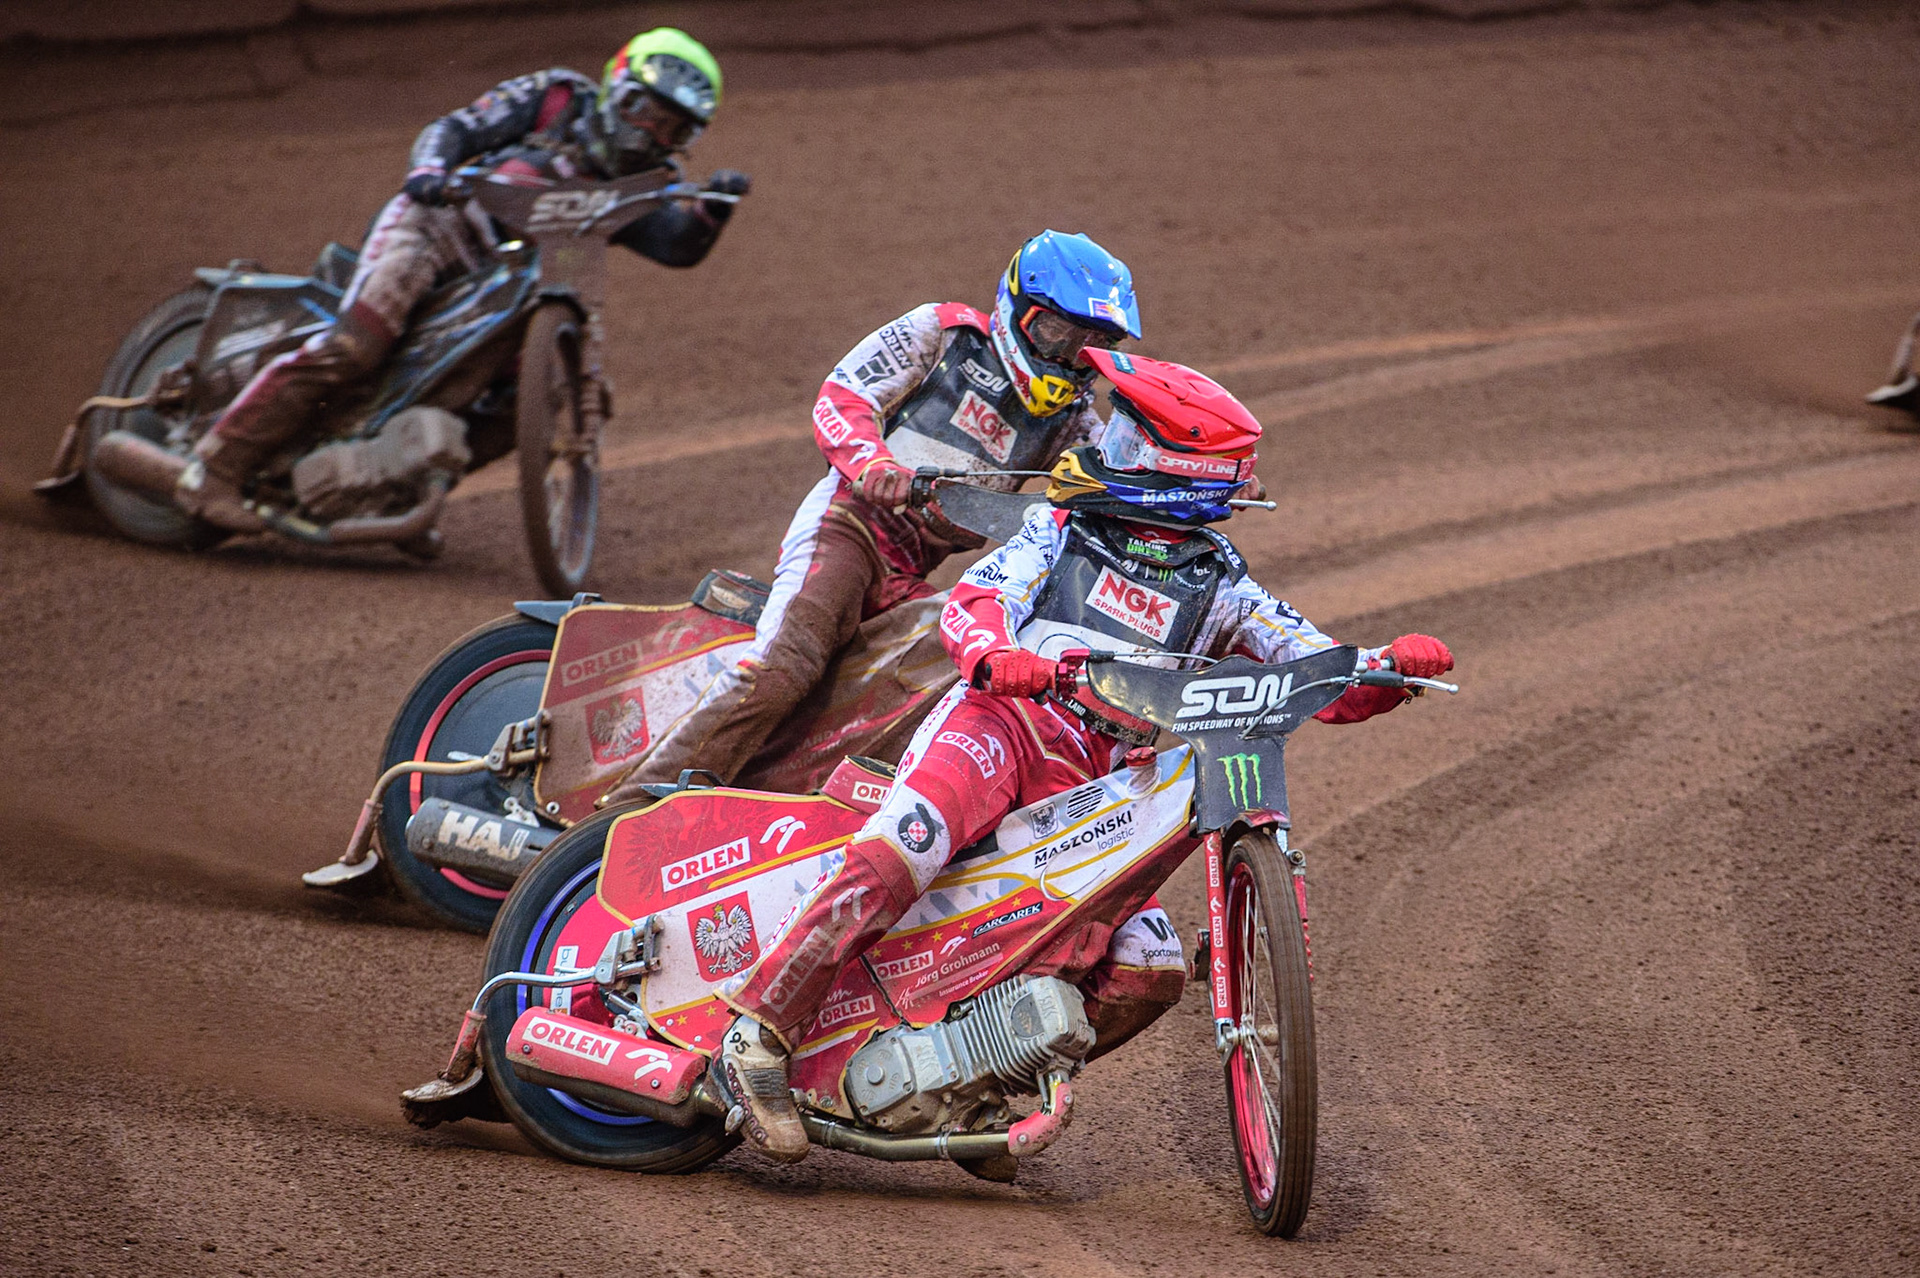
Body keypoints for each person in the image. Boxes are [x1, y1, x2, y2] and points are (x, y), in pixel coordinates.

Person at [707, 348, 1456, 1162]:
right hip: (1001, 727)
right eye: (1121, 435)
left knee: (1153, 965)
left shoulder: (1222, 580)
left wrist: (1382, 669)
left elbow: (1312, 664)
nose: (1108, 451)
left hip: (1097, 781)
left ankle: (983, 1083)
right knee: (904, 847)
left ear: (1183, 477)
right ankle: (757, 1038)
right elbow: (978, 600)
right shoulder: (1060, 526)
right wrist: (996, 653)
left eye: (1134, 444)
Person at [599, 230, 1143, 802]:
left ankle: (782, 808)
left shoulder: (1074, 422)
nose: (1066, 357)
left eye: (1087, 345)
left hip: (913, 572)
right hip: (848, 528)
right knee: (787, 665)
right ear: (1019, 311)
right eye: (1057, 334)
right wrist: (873, 462)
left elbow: (1112, 491)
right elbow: (844, 394)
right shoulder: (945, 334)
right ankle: (623, 814)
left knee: (935, 684)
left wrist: (1208, 481)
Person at [177, 28, 749, 530]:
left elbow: (674, 245)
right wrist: (428, 172)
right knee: (356, 347)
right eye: (645, 112)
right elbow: (453, 129)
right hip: (438, 230)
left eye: (673, 129)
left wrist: (713, 212)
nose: (652, 134)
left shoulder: (647, 182)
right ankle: (212, 471)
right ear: (616, 89)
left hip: (525, 285)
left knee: (528, 405)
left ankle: (394, 493)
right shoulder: (554, 99)